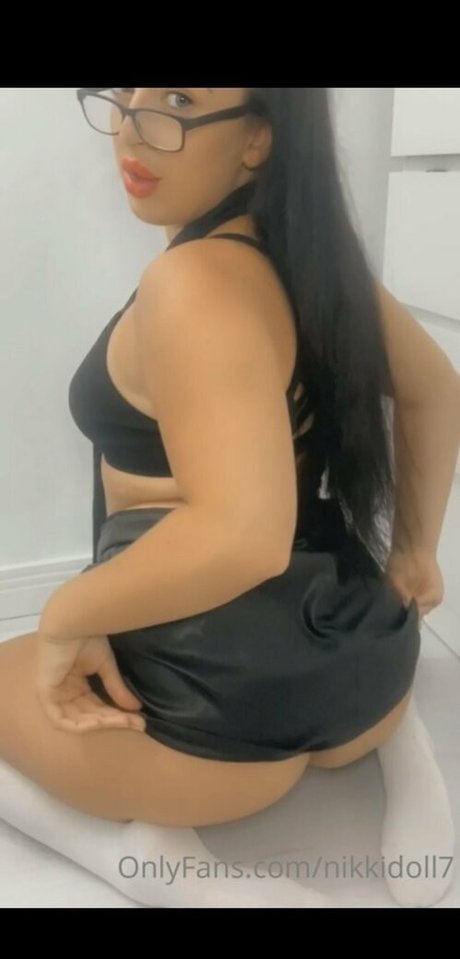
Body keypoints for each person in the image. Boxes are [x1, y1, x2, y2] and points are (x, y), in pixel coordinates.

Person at [0, 88, 457, 909]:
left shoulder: (192, 283)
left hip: (217, 724)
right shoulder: (310, 257)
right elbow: (436, 387)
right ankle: (402, 741)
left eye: (178, 98)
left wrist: (70, 611)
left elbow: (244, 535)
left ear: (257, 139)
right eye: (129, 92)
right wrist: (414, 552)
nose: (131, 127)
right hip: (362, 652)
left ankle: (155, 865)